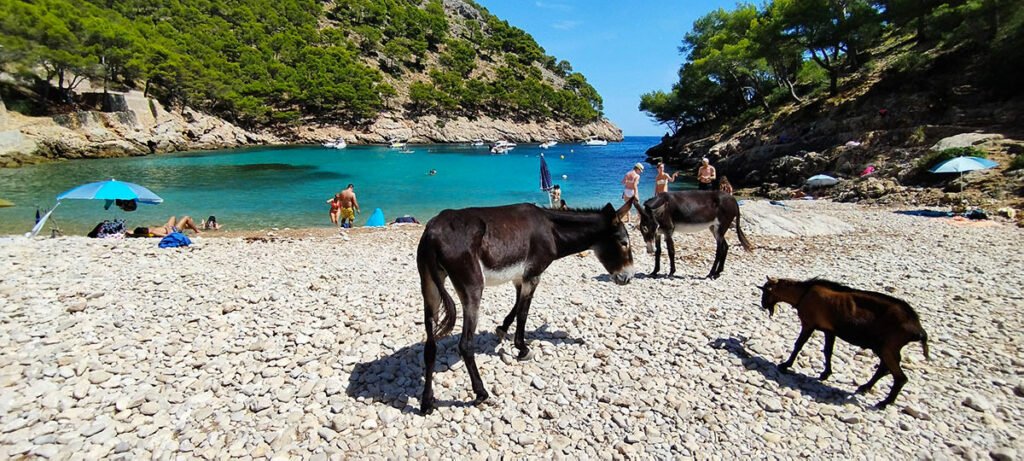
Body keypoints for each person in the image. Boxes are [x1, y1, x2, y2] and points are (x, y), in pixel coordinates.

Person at [131, 216, 201, 237]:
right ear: (144, 231)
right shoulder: (153, 232)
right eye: (143, 228)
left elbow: (131, 232)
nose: (144, 227)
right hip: (174, 230)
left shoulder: (151, 230)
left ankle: (190, 226)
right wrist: (168, 227)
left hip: (170, 228)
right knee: (186, 218)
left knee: (173, 217)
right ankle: (197, 231)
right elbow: (168, 235)